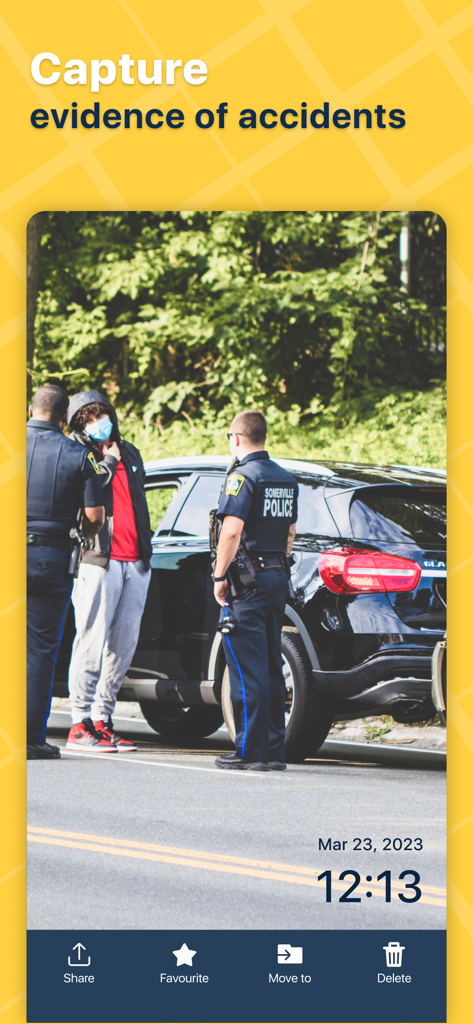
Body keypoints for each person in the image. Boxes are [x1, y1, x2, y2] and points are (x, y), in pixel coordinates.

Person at [65, 390, 152, 752]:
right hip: (98, 558)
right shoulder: (77, 455)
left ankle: (102, 718)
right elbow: (88, 495)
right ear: (78, 426)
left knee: (123, 646)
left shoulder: (130, 452)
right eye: (86, 420)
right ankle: (79, 721)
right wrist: (109, 462)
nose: (95, 424)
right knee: (90, 640)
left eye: (99, 416)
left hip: (135, 560)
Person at [212, 410, 298, 771]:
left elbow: (231, 531)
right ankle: (274, 751)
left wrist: (220, 576)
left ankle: (250, 751)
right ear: (264, 436)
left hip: (247, 583)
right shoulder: (285, 478)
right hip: (277, 577)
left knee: (248, 668)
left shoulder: (242, 478)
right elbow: (290, 530)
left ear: (236, 438)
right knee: (271, 665)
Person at [27, 385, 105, 760]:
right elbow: (95, 517)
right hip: (50, 557)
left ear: (31, 410)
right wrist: (82, 537)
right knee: (40, 650)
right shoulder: (80, 455)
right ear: (63, 419)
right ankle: (30, 739)